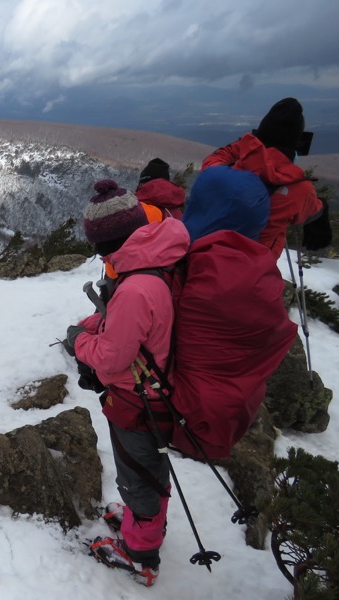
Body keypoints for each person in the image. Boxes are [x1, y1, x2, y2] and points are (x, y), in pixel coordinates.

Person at [62, 179, 190, 587]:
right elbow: (137, 328)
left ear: (105, 242)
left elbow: (112, 358)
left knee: (138, 474)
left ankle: (140, 555)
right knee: (150, 470)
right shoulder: (156, 261)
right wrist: (100, 324)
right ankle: (143, 523)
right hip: (157, 394)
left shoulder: (135, 287)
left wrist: (80, 341)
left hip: (139, 402)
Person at [201, 97, 331, 258]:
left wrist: (248, 145)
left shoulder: (218, 173)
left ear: (259, 139)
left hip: (208, 257)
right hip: (257, 268)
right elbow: (314, 209)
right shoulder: (301, 190)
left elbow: (215, 158)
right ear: (295, 144)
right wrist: (322, 209)